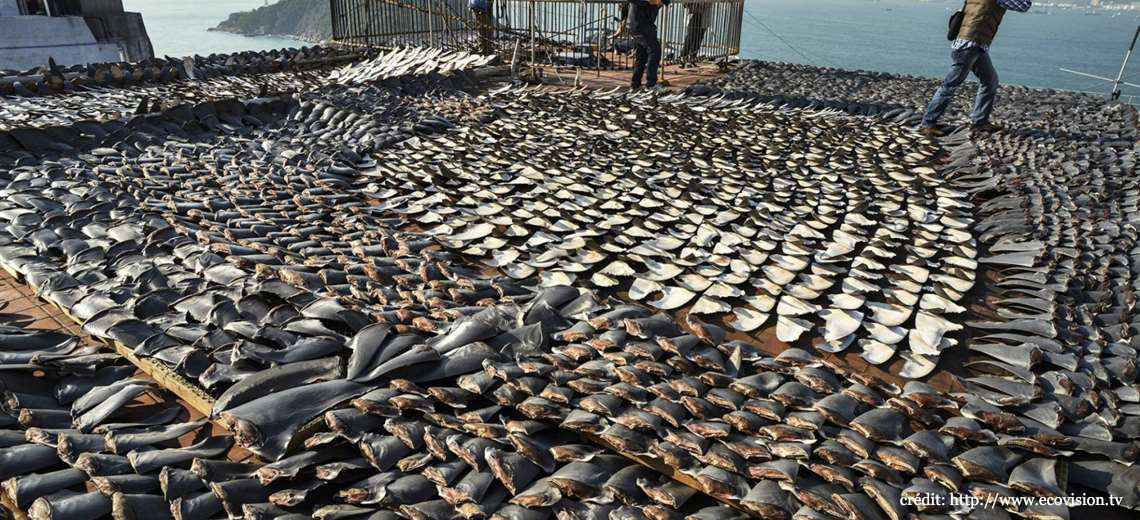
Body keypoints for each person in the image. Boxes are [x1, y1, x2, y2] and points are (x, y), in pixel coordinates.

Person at [919, 0, 1031, 137]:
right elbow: (1024, 5)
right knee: (949, 86)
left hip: (973, 44)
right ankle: (928, 124)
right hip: (970, 45)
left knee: (990, 81)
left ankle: (980, 122)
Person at [623, 0, 668, 89]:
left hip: (644, 27)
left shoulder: (655, 5)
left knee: (641, 55)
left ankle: (635, 83)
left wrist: (654, 3)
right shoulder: (643, 3)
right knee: (655, 51)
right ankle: (651, 83)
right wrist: (649, 1)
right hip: (640, 27)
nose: (660, 5)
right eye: (661, 3)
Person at [680, 1, 710, 65]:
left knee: (698, 39)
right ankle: (683, 57)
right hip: (693, 16)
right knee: (690, 37)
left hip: (703, 17)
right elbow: (685, 4)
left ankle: (692, 58)